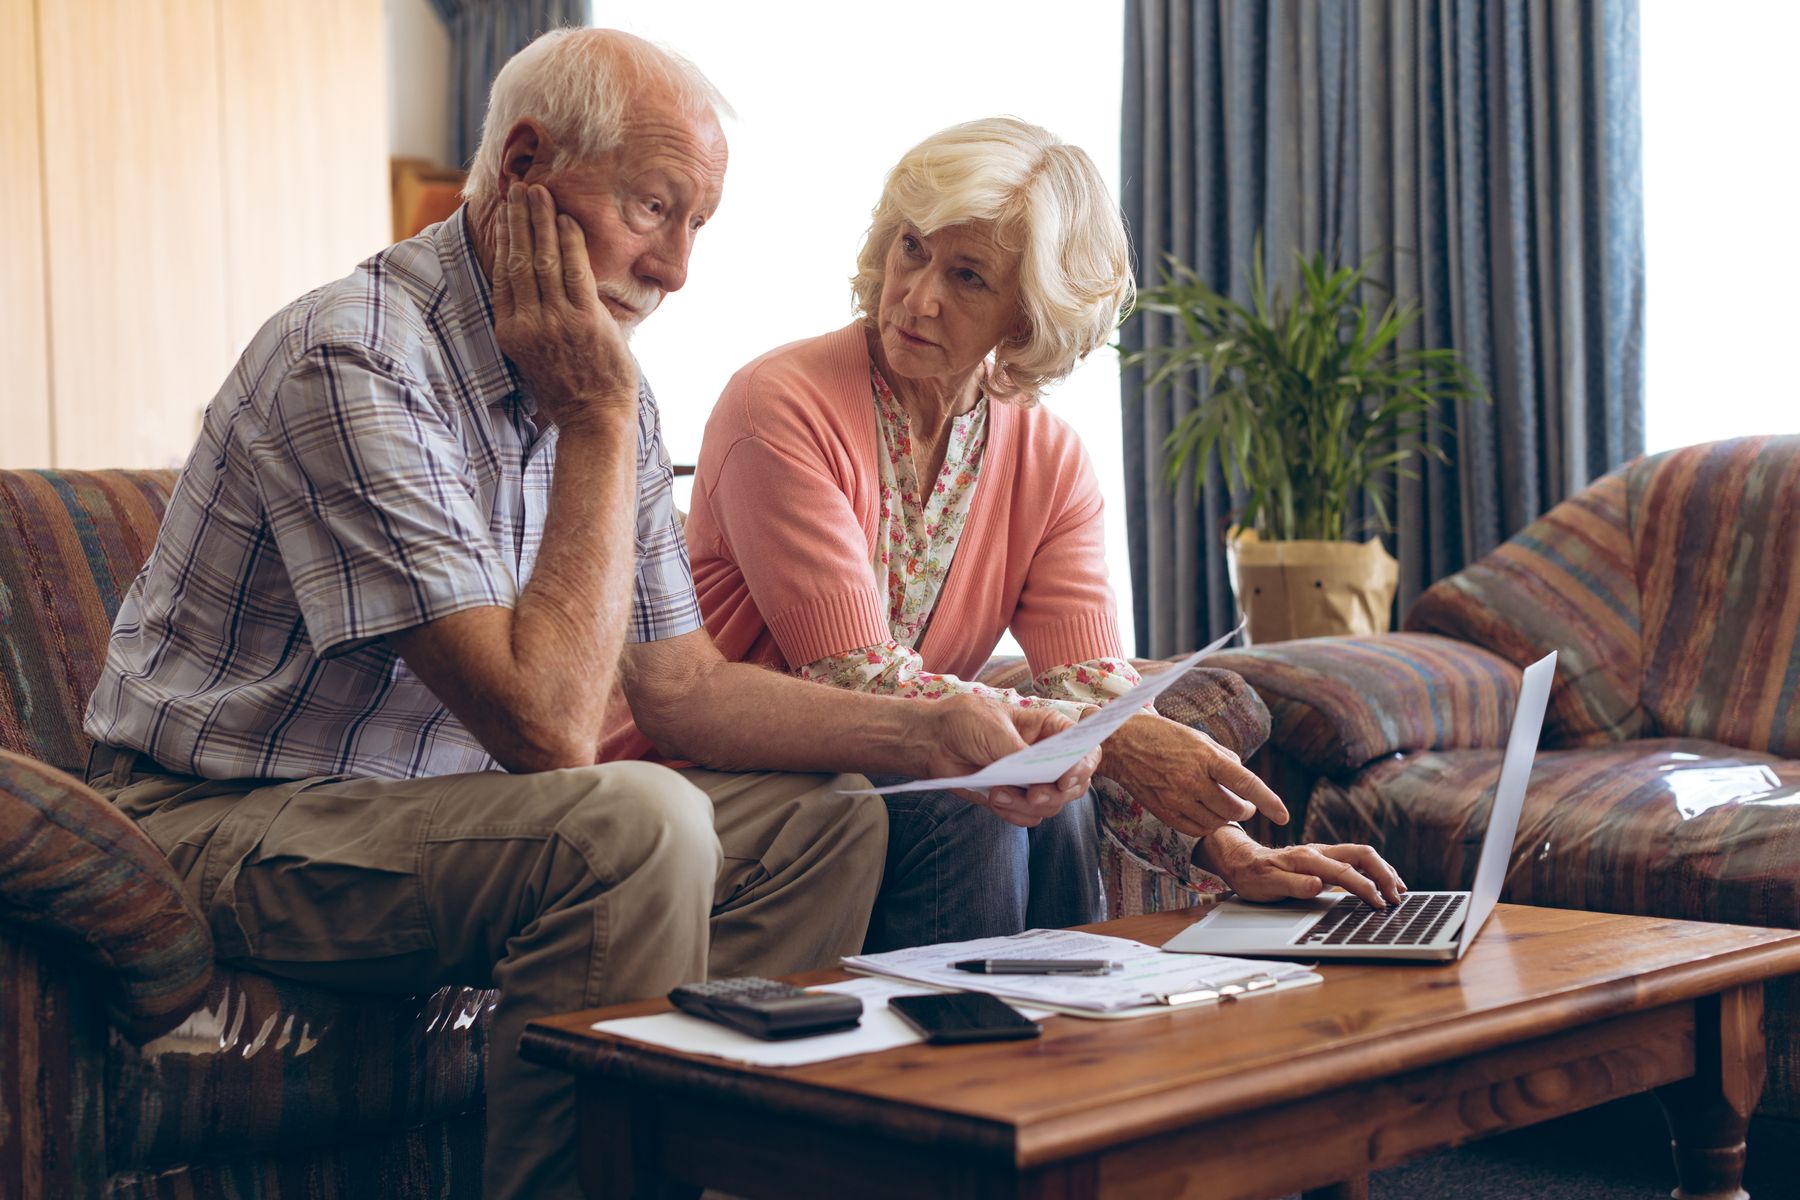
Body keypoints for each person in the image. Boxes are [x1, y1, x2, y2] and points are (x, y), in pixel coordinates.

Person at [80, 37, 1096, 1200]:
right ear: (523, 167)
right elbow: (549, 731)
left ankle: (721, 1167)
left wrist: (937, 733)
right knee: (634, 824)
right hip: (213, 823)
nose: (675, 268)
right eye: (652, 208)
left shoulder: (591, 371)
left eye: (697, 226)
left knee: (830, 820)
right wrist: (603, 421)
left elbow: (685, 689)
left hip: (420, 816)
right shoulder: (355, 359)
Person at [603, 117, 1405, 949]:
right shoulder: (779, 404)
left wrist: (1230, 850)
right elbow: (856, 678)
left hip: (892, 770)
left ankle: (1077, 1051)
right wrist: (1109, 739)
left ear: (1027, 319)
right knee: (981, 800)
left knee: (1044, 801)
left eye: (968, 276)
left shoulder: (1049, 458)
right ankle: (970, 1066)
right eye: (912, 248)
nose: (916, 296)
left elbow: (1091, 691)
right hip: (717, 772)